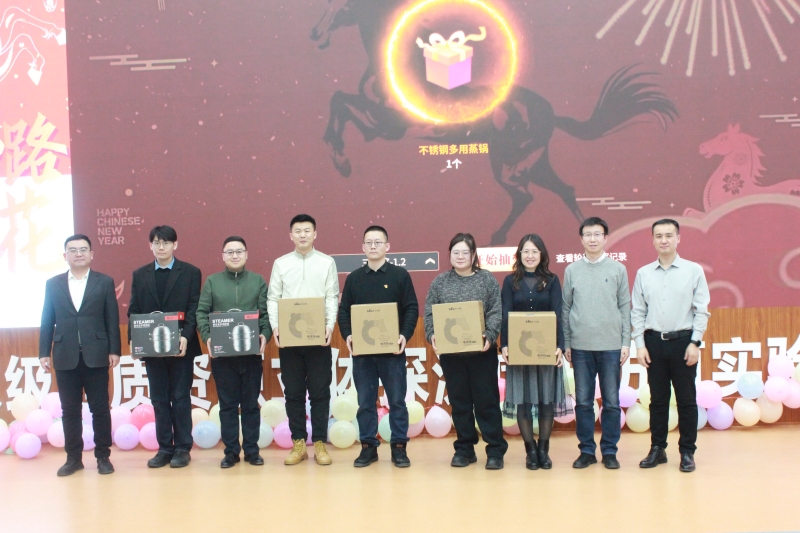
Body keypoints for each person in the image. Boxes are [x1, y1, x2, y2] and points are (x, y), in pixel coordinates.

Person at [632, 219, 710, 473]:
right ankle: (658, 448)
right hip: (653, 342)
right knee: (658, 400)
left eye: (668, 235)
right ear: (653, 240)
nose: (663, 240)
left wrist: (695, 342)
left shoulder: (693, 271)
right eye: (658, 236)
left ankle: (687, 452)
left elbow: (701, 311)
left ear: (678, 238)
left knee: (686, 400)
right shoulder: (644, 273)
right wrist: (640, 345)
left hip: (684, 342)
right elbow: (638, 312)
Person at [39, 234, 120, 477]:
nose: (78, 254)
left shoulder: (104, 282)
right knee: (70, 411)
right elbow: (47, 319)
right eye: (73, 250)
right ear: (65, 256)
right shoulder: (53, 284)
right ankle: (73, 458)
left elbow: (111, 319)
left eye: (83, 249)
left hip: (96, 355)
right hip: (65, 355)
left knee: (100, 409)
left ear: (91, 254)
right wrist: (43, 352)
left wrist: (114, 350)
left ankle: (103, 457)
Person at [424, 233, 507, 470]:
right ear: (449, 254)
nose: (460, 257)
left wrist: (489, 335)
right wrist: (432, 334)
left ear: (473, 255)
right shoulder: (440, 282)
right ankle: (464, 449)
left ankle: (495, 450)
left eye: (465, 252)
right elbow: (429, 313)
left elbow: (496, 311)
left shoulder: (486, 279)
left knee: (487, 402)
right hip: (452, 356)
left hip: (482, 353)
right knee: (459, 403)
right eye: (455, 252)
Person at [338, 225, 418, 468]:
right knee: (365, 402)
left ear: (387, 246)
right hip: (363, 354)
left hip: (392, 352)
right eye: (369, 243)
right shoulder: (354, 278)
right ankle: (368, 447)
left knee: (397, 401)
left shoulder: (400, 275)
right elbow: (344, 312)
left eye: (378, 242)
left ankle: (399, 447)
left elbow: (411, 308)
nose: (373, 246)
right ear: (363, 247)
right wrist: (348, 335)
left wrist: (404, 335)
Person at [128, 225, 202, 469]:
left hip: (181, 347)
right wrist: (134, 339)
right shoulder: (140, 274)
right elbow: (134, 310)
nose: (161, 247)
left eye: (166, 242)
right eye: (157, 243)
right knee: (159, 399)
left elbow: (193, 309)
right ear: (150, 245)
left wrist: (186, 336)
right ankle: (164, 448)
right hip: (152, 348)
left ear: (175, 245)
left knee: (180, 397)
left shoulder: (190, 272)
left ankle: (182, 448)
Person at [268, 214, 339, 466]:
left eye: (307, 230)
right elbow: (273, 298)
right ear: (291, 235)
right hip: (290, 340)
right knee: (294, 393)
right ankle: (298, 443)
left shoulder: (327, 262)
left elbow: (332, 297)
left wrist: (329, 326)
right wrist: (276, 327)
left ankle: (319, 443)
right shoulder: (281, 263)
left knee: (320, 392)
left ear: (315, 234)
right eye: (298, 231)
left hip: (318, 339)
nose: (302, 235)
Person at [562, 217, 631, 470]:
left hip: (611, 346)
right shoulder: (572, 270)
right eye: (588, 234)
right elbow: (566, 308)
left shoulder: (618, 269)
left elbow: (625, 307)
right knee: (583, 402)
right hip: (580, 347)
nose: (593, 239)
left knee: (611, 402)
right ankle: (587, 451)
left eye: (597, 234)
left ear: (605, 238)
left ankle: (610, 451)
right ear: (581, 239)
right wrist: (567, 342)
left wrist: (626, 342)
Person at [196, 236, 270, 468]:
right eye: (230, 252)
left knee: (250, 405)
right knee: (227, 406)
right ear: (223, 256)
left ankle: (252, 451)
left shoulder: (258, 281)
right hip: (223, 356)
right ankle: (230, 452)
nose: (235, 255)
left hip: (251, 355)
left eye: (239, 251)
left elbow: (266, 314)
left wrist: (264, 335)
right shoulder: (212, 282)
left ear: (246, 254)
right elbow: (201, 313)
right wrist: (208, 337)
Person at [500, 234, 571, 470]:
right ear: (519, 254)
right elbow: (505, 315)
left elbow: (558, 314)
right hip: (519, 351)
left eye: (534, 251)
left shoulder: (552, 280)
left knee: (545, 402)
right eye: (526, 251)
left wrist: (560, 346)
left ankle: (543, 451)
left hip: (545, 350)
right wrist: (504, 345)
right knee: (523, 401)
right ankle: (530, 451)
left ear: (542, 255)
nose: (530, 256)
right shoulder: (510, 281)